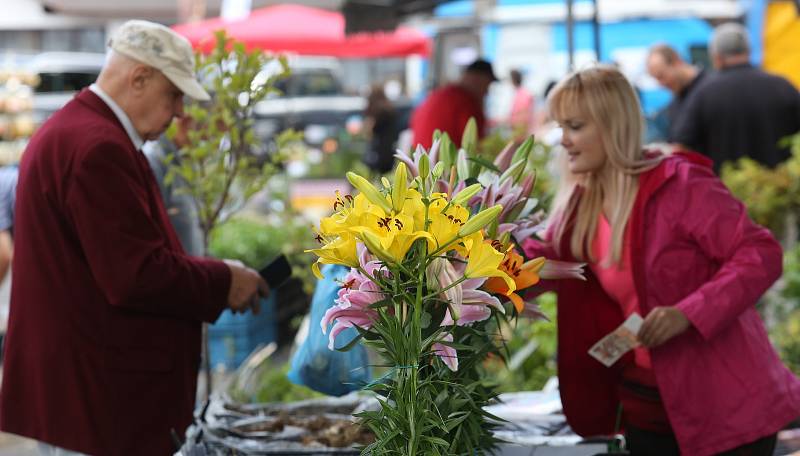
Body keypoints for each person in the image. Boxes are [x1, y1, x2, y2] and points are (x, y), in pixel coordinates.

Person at [0, 20, 268, 456]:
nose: (180, 111)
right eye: (174, 95)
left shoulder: (76, 131)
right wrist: (223, 280)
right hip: (99, 399)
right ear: (138, 78)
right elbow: (135, 275)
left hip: (83, 392)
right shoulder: (97, 145)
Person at [523, 65, 800, 455]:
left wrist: (688, 313)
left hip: (725, 410)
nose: (562, 140)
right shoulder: (580, 207)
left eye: (574, 126)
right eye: (560, 126)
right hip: (646, 408)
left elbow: (760, 253)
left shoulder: (680, 185)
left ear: (611, 126)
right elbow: (534, 264)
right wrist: (462, 270)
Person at [672, 22, 800, 172]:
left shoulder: (703, 93)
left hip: (724, 190)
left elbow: (681, 146)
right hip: (778, 189)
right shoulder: (783, 86)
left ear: (716, 57)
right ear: (749, 51)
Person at [144, 115, 204, 256]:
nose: (204, 140)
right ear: (185, 123)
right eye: (202, 132)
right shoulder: (155, 162)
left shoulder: (186, 162)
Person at [410, 58, 498, 149]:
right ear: (477, 79)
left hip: (421, 158)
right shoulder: (467, 102)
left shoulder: (439, 94)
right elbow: (475, 145)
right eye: (487, 85)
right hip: (444, 161)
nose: (487, 92)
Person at [645, 44, 706, 142]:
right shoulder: (674, 105)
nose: (661, 84)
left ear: (676, 61)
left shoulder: (709, 89)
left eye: (661, 76)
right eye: (656, 79)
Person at [362, 84, 398, 175]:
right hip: (390, 150)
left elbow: (368, 132)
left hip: (377, 152)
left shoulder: (375, 112)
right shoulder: (390, 109)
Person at [508, 69, 534, 141]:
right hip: (519, 130)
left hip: (520, 131)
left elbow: (523, 115)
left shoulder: (523, 94)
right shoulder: (522, 93)